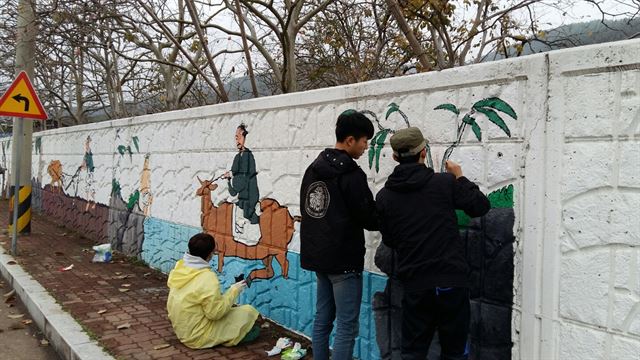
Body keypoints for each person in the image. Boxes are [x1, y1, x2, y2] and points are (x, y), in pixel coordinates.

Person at [375, 127, 490, 360]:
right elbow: (480, 206)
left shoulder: (385, 197)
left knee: (413, 352)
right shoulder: (444, 183)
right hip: (451, 281)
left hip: (416, 284)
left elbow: (389, 239)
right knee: (455, 352)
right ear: (423, 153)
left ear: (395, 157)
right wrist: (460, 177)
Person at [300, 110, 379, 360]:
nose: (366, 146)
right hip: (343, 261)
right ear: (350, 140)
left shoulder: (313, 169)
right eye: (365, 140)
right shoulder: (351, 176)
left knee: (323, 319)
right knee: (347, 326)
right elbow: (368, 218)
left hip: (319, 258)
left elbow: (310, 210)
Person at [166, 233, 260, 349]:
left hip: (183, 331)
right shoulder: (208, 277)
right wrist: (234, 290)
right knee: (248, 312)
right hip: (197, 337)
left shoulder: (180, 267)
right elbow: (215, 314)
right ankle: (232, 337)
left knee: (232, 311)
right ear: (210, 254)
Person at [225, 124, 260, 226]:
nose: (237, 141)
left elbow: (245, 177)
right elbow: (234, 171)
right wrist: (229, 176)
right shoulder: (237, 157)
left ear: (245, 137)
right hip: (242, 196)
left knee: (249, 218)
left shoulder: (249, 156)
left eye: (239, 137)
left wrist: (232, 178)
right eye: (236, 138)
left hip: (249, 195)